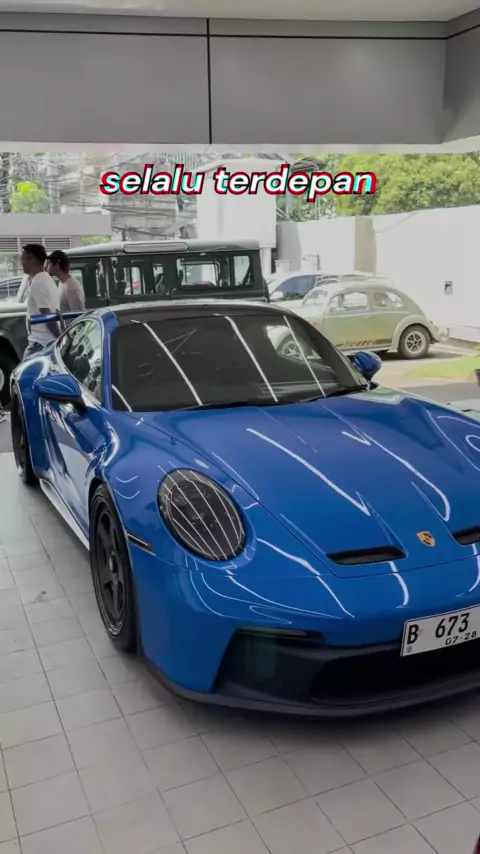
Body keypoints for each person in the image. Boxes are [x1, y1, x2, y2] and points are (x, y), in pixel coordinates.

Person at [21, 244, 60, 358]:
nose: (21, 263)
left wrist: (60, 338)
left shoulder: (38, 283)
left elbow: (47, 316)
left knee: (24, 369)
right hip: (45, 342)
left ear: (32, 260)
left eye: (22, 259)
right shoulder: (46, 279)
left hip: (40, 343)